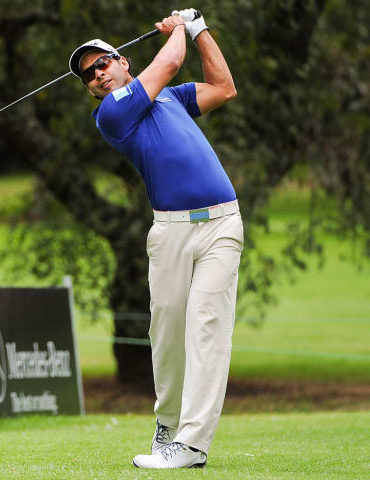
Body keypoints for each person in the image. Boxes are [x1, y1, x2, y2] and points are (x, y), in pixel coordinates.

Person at [69, 9, 242, 469]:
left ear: (122, 60)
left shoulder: (169, 98)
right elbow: (167, 63)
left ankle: (191, 445)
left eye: (102, 63)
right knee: (166, 329)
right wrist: (181, 27)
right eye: (88, 75)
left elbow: (224, 86)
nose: (97, 74)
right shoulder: (113, 113)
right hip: (171, 230)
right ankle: (167, 423)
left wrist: (200, 28)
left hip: (223, 224)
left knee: (207, 327)